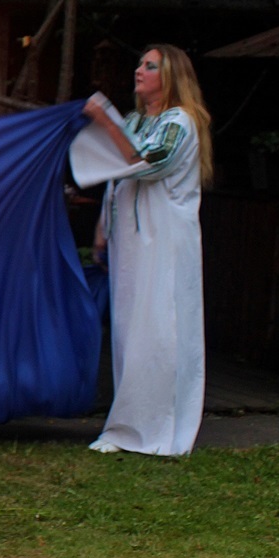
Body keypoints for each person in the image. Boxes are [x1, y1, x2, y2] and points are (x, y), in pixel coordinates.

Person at [81, 43, 212, 456]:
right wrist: (104, 227)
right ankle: (129, 424)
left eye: (150, 65)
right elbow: (115, 176)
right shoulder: (137, 119)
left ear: (170, 76)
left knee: (159, 329)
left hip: (165, 242)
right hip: (132, 242)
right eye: (140, 63)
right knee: (129, 331)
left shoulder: (181, 122)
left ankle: (156, 432)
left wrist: (104, 118)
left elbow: (148, 163)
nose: (139, 70)